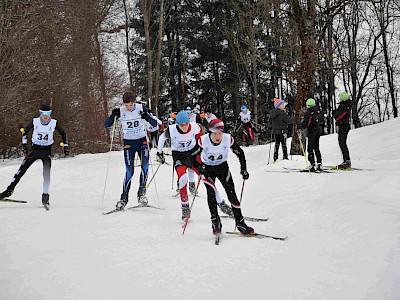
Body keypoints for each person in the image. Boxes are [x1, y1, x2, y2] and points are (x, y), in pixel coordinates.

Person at [0, 104, 69, 207]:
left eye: (48, 113)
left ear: (50, 113)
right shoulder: (35, 121)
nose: (46, 116)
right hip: (35, 150)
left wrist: (65, 146)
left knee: (46, 174)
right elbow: (25, 132)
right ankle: (9, 191)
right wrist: (24, 144)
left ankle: (45, 196)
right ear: (40, 113)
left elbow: (63, 134)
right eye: (43, 113)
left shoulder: (54, 123)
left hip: (46, 151)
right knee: (21, 170)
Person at [197, 118, 254, 236]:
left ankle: (240, 223)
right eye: (215, 133)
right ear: (209, 133)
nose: (218, 136)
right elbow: (193, 155)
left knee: (232, 195)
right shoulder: (202, 141)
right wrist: (199, 166)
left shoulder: (228, 139)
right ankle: (215, 222)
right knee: (211, 195)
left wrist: (243, 169)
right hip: (208, 170)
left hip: (222, 168)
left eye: (220, 133)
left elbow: (240, 153)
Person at [104, 91, 157, 210]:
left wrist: (146, 116)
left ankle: (141, 194)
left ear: (134, 102)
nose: (128, 108)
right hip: (129, 143)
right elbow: (106, 125)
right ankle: (123, 199)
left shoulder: (141, 107)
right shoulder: (121, 110)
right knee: (129, 171)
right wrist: (113, 116)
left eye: (130, 105)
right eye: (126, 105)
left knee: (145, 167)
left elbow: (154, 124)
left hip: (142, 141)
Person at [156, 110, 202, 221]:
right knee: (183, 179)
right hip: (179, 156)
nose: (185, 127)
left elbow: (200, 136)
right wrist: (159, 153)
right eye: (182, 125)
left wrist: (202, 148)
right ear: (177, 124)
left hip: (192, 154)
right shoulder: (171, 129)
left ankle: (219, 203)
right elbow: (162, 138)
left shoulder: (194, 126)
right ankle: (185, 207)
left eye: (186, 123)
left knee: (206, 176)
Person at [301, 98, 324, 172]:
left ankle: (312, 164)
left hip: (311, 131)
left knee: (310, 148)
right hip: (318, 131)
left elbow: (306, 123)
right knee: (316, 147)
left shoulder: (308, 112)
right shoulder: (318, 111)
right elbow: (321, 120)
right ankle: (319, 163)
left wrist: (299, 126)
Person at [333, 91, 353, 169]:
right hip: (344, 125)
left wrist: (334, 113)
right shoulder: (346, 106)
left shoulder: (343, 106)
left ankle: (347, 161)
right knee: (342, 143)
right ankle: (346, 160)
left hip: (343, 126)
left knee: (342, 143)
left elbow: (337, 116)